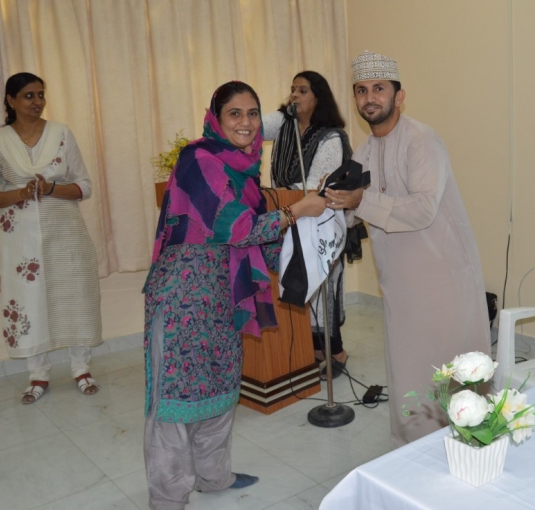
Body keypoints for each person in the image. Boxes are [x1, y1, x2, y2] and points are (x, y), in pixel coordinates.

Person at [143, 81, 326, 510]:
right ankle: (168, 498)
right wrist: (298, 210)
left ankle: (213, 477)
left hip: (224, 296)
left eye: (253, 113)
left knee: (221, 390)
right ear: (216, 118)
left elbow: (260, 236)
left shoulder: (244, 170)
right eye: (235, 113)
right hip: (183, 298)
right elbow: (236, 226)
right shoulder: (198, 159)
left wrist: (309, 241)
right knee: (175, 402)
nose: (246, 123)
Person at [325, 51, 492, 447]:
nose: (370, 98)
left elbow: (421, 210)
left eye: (379, 89)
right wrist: (330, 204)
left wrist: (359, 202)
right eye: (361, 90)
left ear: (399, 96)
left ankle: (469, 450)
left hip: (442, 279)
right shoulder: (365, 151)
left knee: (453, 372)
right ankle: (415, 452)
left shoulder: (422, 140)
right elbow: (356, 210)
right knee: (409, 371)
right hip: (400, 283)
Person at [0, 72, 102, 404]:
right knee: (29, 301)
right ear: (11, 100)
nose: (37, 102)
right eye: (29, 96)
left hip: (66, 232)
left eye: (41, 95)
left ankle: (81, 369)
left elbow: (84, 186)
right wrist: (20, 193)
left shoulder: (61, 133)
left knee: (75, 296)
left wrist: (50, 189)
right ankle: (38, 374)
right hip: (21, 241)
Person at [263, 71, 353, 379]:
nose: (295, 95)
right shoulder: (284, 122)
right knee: (301, 285)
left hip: (322, 221)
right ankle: (314, 350)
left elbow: (316, 185)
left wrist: (276, 196)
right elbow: (252, 126)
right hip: (289, 216)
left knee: (323, 287)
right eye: (293, 89)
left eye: (302, 90)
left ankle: (337, 351)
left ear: (318, 96)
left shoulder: (331, 136)